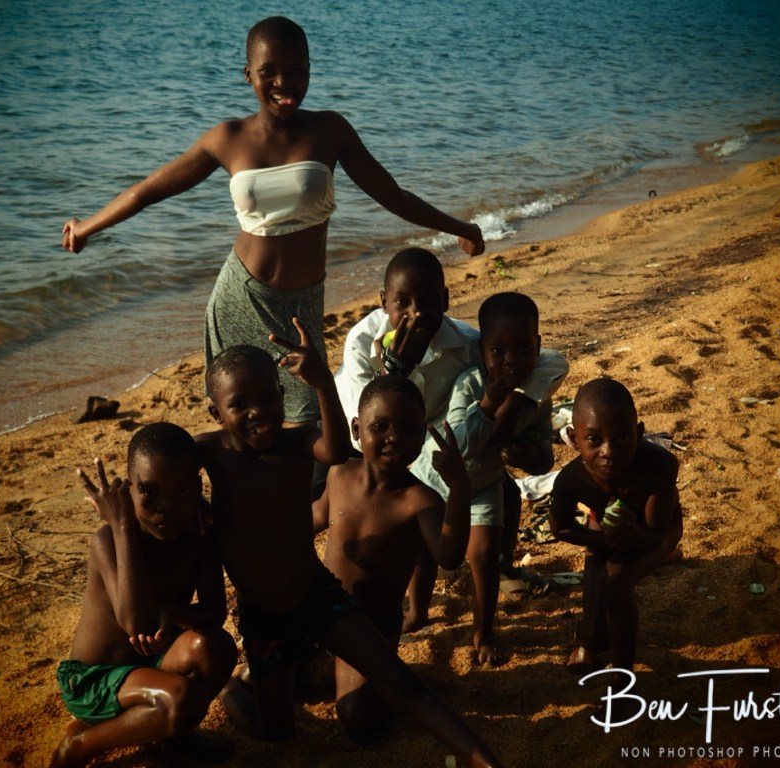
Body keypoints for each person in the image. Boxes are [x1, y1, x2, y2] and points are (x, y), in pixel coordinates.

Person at [61, 16, 484, 425]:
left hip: (301, 304)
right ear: (248, 74)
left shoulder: (330, 131)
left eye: (297, 71)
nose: (284, 83)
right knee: (244, 418)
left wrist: (460, 227)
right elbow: (148, 191)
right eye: (269, 71)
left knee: (307, 418)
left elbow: (392, 195)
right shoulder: (227, 138)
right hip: (239, 297)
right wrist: (85, 228)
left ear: (310, 71)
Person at [195, 329, 505, 767]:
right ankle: (239, 686)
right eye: (381, 427)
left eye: (267, 399)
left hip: (331, 604)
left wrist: (322, 381)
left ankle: (481, 759)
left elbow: (448, 555)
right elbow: (306, 519)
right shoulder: (218, 452)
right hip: (266, 614)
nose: (256, 413)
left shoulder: (412, 496)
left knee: (380, 706)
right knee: (277, 731)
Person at [334, 247, 568, 632]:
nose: (417, 313)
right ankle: (409, 603)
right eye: (402, 303)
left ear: (445, 299)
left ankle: (497, 576)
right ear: (383, 303)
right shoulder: (363, 345)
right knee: (408, 540)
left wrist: (515, 404)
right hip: (388, 453)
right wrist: (396, 368)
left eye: (429, 301)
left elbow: (545, 361)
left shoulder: (465, 345)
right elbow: (362, 438)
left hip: (454, 454)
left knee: (503, 494)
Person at [50, 422, 237, 768]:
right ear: (128, 491)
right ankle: (80, 744)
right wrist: (121, 527)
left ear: (197, 489)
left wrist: (174, 612)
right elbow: (135, 623)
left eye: (181, 492)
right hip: (95, 680)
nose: (165, 507)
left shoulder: (198, 536)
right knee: (180, 701)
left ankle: (174, 733)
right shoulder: (108, 540)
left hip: (151, 665)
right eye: (149, 493)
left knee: (217, 648)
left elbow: (215, 611)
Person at [313, 375, 471, 742]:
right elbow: (316, 516)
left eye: (409, 428)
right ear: (356, 429)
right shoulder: (339, 474)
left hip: (371, 627)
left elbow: (448, 556)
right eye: (379, 426)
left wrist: (459, 487)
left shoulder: (421, 501)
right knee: (258, 682)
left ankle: (380, 676)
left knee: (359, 720)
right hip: (321, 613)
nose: (394, 438)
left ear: (423, 433)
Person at [409, 292, 559, 666]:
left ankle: (483, 630)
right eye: (498, 351)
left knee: (484, 556)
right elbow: (458, 446)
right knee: (425, 554)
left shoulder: (537, 393)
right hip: (435, 480)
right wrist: (489, 404)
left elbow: (543, 445)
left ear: (538, 346)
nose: (511, 361)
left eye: (523, 348)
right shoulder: (471, 384)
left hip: (484, 485)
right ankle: (417, 611)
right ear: (482, 350)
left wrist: (538, 456)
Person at [548, 378, 684, 673]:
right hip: (606, 527)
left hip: (658, 528)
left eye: (622, 438)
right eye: (594, 440)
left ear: (639, 433)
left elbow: (655, 534)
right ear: (574, 437)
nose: (609, 451)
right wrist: (606, 541)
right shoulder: (571, 480)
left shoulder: (660, 465)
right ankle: (586, 638)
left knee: (616, 579)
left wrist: (631, 535)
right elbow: (559, 528)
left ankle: (622, 675)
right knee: (597, 625)